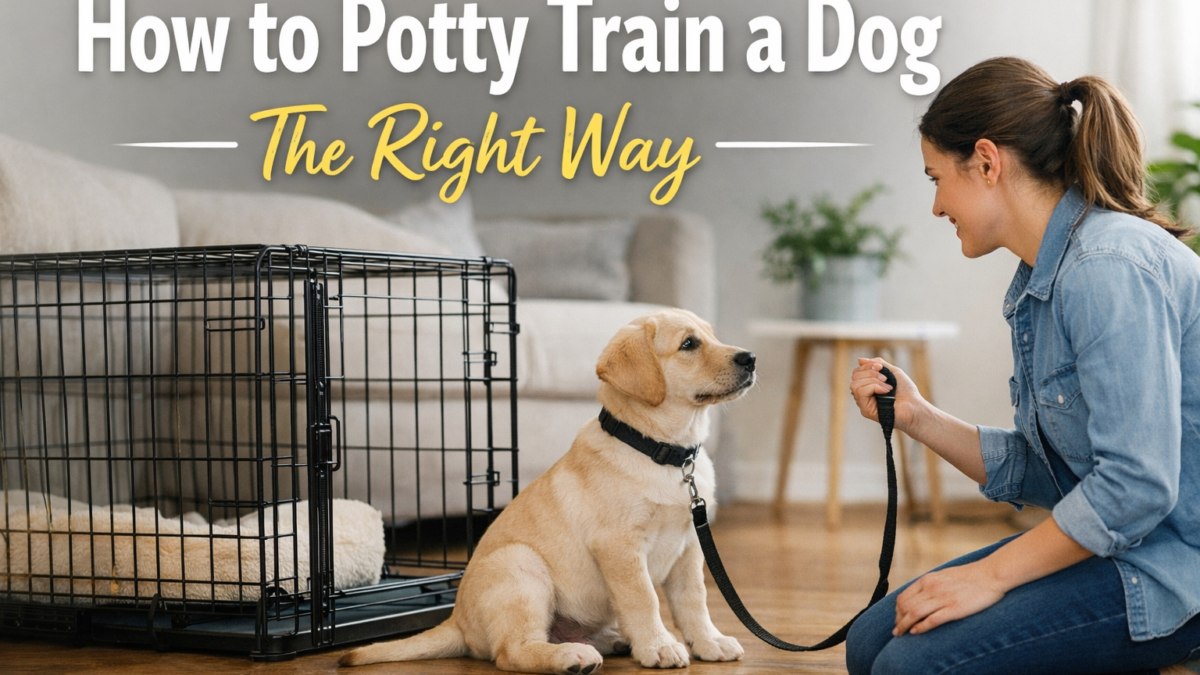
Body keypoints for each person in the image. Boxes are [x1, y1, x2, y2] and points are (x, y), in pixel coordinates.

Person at [845, 57, 1200, 675]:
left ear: (986, 161)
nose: (935, 206)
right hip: (1126, 544)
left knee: (909, 666)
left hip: (1175, 563)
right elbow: (1055, 471)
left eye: (936, 178)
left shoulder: (1105, 267)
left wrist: (988, 577)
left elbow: (1136, 488)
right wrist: (918, 417)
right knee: (871, 641)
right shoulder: (1045, 274)